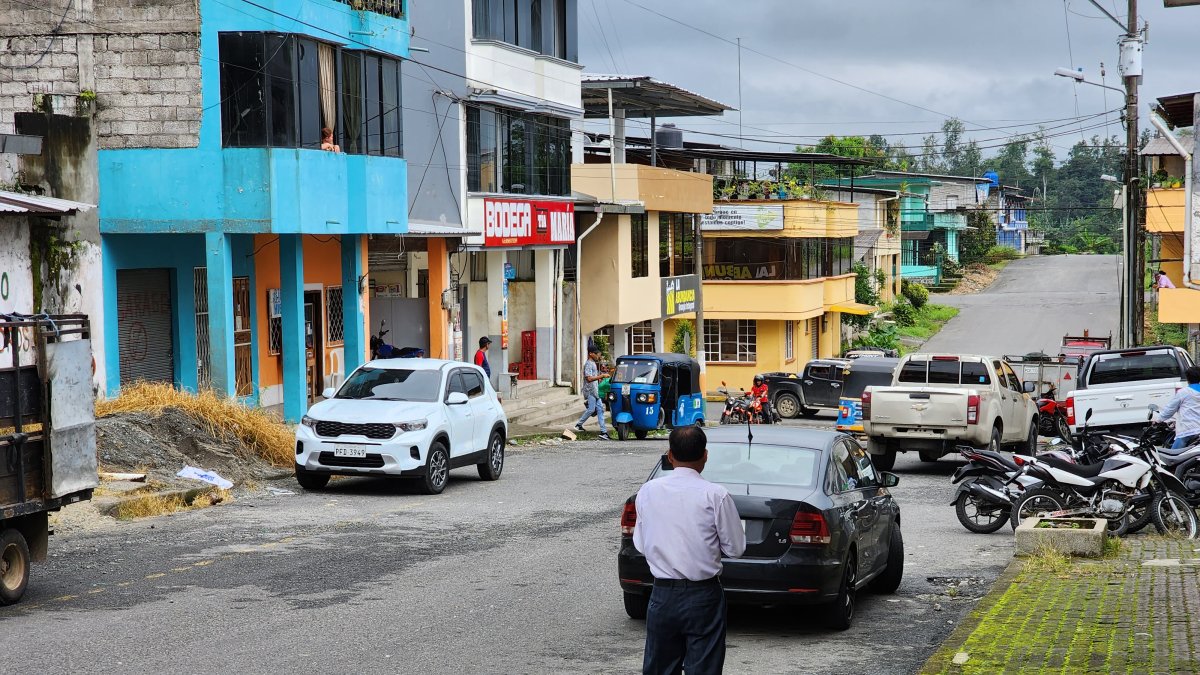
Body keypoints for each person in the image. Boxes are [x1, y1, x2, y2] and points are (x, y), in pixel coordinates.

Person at [634, 426, 746, 675]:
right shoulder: (715, 495)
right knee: (704, 668)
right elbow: (736, 549)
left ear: (669, 455)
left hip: (662, 595)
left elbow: (641, 544)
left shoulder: (648, 491)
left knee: (660, 668)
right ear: (705, 455)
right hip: (703, 594)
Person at [1159, 366, 1200, 449]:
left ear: (1187, 378)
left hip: (1187, 431)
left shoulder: (1183, 392)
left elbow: (1170, 409)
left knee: (1172, 457)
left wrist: (1159, 420)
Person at [574, 347, 610, 440]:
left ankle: (604, 432)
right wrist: (601, 376)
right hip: (590, 390)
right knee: (591, 409)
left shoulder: (593, 363)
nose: (598, 356)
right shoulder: (588, 364)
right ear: (591, 354)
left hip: (595, 391)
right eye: (597, 354)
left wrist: (599, 377)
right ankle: (578, 425)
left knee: (600, 410)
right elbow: (589, 378)